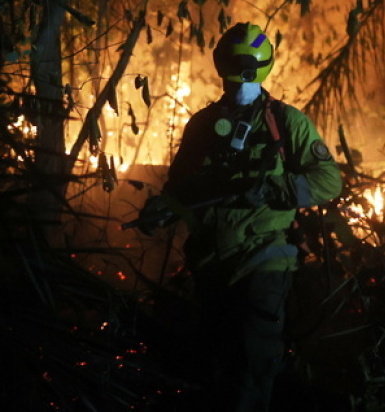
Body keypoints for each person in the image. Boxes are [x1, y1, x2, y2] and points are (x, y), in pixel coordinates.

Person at [136, 22, 342, 412]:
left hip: (264, 257)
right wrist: (161, 212)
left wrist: (271, 190)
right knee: (218, 366)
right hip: (211, 263)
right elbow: (181, 189)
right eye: (232, 74)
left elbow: (329, 181)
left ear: (259, 71)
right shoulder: (202, 125)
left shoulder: (287, 122)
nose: (238, 87)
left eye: (245, 74)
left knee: (251, 364)